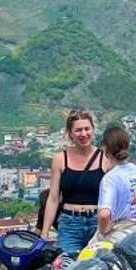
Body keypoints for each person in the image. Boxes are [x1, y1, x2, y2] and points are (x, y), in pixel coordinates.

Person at [37, 109, 104, 256]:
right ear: (70, 133)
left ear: (93, 130)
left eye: (87, 129)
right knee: (66, 269)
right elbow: (53, 198)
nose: (83, 134)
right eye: (78, 130)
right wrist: (45, 231)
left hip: (98, 223)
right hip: (70, 223)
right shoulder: (60, 159)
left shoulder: (105, 159)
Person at [96, 125, 136, 240]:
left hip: (118, 234)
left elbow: (104, 214)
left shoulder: (110, 178)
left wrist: (103, 232)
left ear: (105, 148)